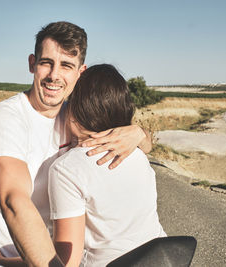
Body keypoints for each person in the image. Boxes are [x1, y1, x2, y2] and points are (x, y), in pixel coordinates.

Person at [0, 21, 152, 266]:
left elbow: (144, 146)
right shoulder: (4, 121)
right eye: (47, 63)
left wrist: (138, 133)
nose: (54, 75)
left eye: (66, 65)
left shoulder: (76, 117)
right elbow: (15, 202)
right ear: (32, 64)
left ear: (80, 72)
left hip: (64, 257)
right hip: (13, 257)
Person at [48, 64, 166, 266]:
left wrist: (5, 260)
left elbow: (68, 260)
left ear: (76, 111)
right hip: (160, 258)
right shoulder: (136, 153)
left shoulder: (66, 169)